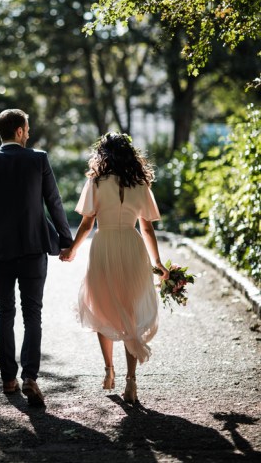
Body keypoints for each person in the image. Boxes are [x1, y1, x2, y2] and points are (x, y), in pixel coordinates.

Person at [0, 109, 72, 406]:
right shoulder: (38, 159)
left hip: (0, 251)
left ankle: (8, 379)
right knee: (32, 315)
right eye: (26, 128)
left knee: (6, 312)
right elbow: (53, 201)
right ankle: (30, 376)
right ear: (18, 130)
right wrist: (66, 241)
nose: (29, 133)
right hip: (33, 248)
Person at [60, 132, 169, 403]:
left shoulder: (96, 182)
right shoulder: (140, 183)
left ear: (103, 155)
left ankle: (109, 370)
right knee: (130, 311)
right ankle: (131, 381)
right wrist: (157, 262)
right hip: (132, 247)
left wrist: (72, 249)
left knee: (101, 308)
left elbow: (86, 224)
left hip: (105, 245)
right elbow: (146, 227)